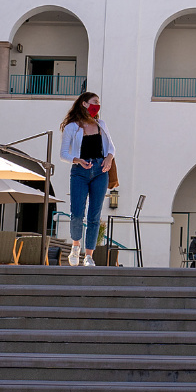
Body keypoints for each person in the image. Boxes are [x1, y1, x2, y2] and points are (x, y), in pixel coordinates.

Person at [60, 90, 114, 267]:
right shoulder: (72, 127)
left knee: (94, 216)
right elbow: (63, 154)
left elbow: (111, 148)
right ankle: (76, 247)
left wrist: (109, 158)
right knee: (77, 213)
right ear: (84, 103)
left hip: (100, 171)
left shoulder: (101, 124)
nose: (97, 105)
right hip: (79, 172)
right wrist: (76, 160)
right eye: (94, 101)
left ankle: (89, 255)